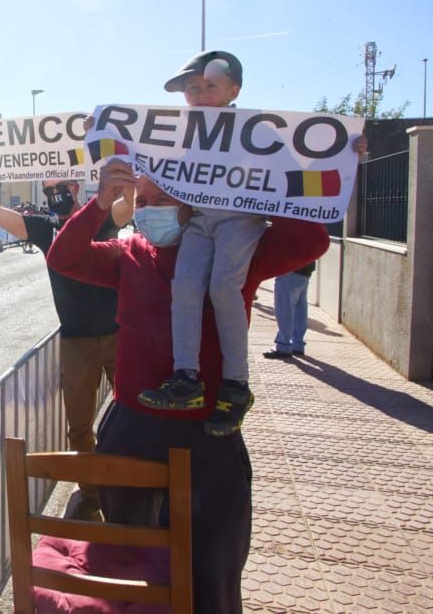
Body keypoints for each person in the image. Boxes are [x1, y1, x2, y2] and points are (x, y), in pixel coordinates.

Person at [47, 139, 363, 610]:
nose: (147, 212)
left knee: (213, 565)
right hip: (133, 427)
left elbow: (311, 240)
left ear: (193, 204)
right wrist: (98, 202)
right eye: (142, 202)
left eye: (162, 201)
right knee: (131, 560)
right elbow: (64, 258)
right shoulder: (128, 254)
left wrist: (285, 173)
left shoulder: (235, 254)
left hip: (208, 432)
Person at [0, 140, 133, 519]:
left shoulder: (101, 214)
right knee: (79, 430)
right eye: (49, 191)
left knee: (132, 417)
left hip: (120, 336)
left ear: (78, 186)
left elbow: (127, 206)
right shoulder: (43, 228)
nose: (56, 196)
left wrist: (122, 168)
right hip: (76, 342)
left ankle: (134, 491)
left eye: (63, 188)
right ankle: (92, 494)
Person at [135, 51, 266, 437]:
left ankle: (237, 385)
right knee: (186, 286)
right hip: (199, 219)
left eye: (210, 85)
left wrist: (347, 152)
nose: (200, 93)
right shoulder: (180, 132)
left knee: (224, 286)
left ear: (233, 90)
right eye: (193, 88)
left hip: (239, 217)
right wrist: (101, 133)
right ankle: (186, 377)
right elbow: (140, 152)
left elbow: (298, 161)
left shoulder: (255, 128)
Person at [264, 262, 316, 358]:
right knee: (300, 309)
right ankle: (297, 344)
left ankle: (283, 345)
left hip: (290, 268)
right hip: (305, 269)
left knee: (284, 308)